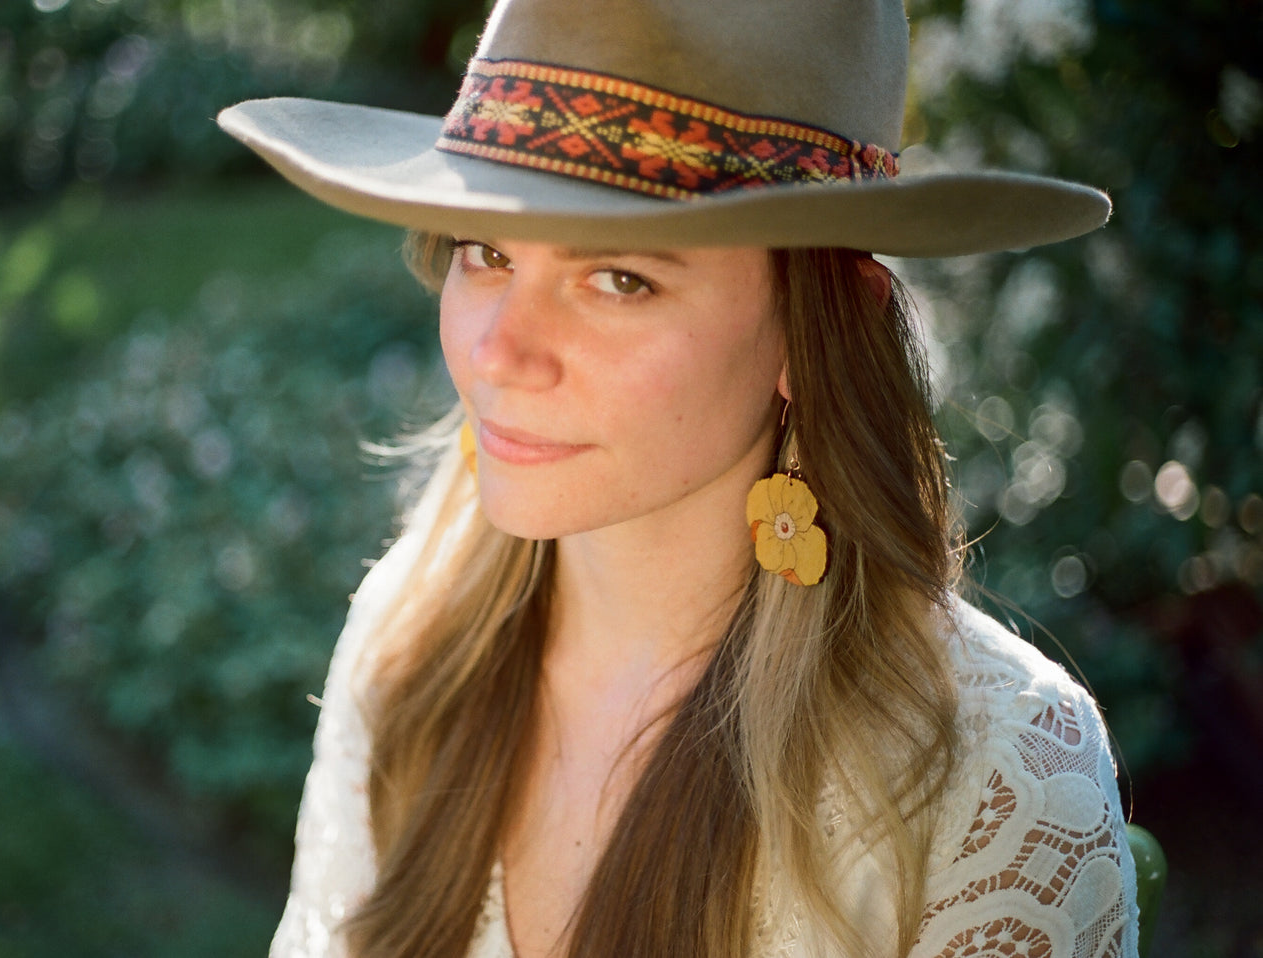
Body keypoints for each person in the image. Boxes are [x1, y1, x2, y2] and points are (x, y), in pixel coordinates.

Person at [218, 0, 1140, 955]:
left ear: (814, 330)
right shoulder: (413, 637)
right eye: (485, 253)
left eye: (619, 279)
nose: (499, 355)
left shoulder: (988, 778)